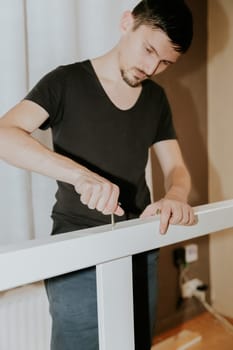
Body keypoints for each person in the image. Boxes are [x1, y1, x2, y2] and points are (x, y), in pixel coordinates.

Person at [0, 0, 196, 349]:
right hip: (76, 251)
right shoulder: (65, 81)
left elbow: (177, 168)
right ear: (127, 23)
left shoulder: (157, 99)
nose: (152, 67)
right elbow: (5, 134)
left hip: (139, 244)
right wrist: (80, 176)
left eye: (165, 61)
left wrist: (176, 196)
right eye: (149, 49)